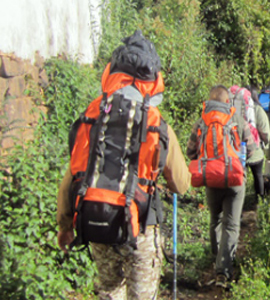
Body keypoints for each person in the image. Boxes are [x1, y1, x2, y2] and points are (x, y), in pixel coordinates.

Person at [57, 31, 191, 300]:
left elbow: (72, 176)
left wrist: (64, 226)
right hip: (140, 227)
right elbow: (181, 183)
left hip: (98, 221)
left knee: (109, 293)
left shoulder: (91, 115)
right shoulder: (157, 123)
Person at [186, 85, 255, 288]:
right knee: (232, 225)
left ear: (209, 100)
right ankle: (223, 271)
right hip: (234, 179)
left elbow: (190, 153)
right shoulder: (237, 119)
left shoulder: (201, 121)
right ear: (228, 101)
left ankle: (215, 257)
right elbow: (251, 150)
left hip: (211, 178)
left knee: (215, 218)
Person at [245, 85, 270, 201]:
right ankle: (258, 201)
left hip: (239, 150)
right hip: (255, 150)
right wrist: (265, 143)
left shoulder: (234, 109)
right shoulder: (257, 109)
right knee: (258, 175)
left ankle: (239, 204)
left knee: (240, 178)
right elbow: (265, 131)